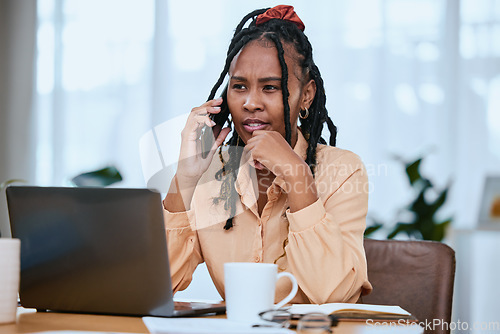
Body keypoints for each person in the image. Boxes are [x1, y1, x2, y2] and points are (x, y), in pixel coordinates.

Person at [163, 5, 372, 304]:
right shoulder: (212, 172)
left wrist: (297, 173)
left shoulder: (342, 170)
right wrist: (185, 177)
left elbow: (333, 295)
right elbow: (158, 284)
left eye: (270, 87)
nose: (250, 103)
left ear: (307, 95)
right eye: (239, 86)